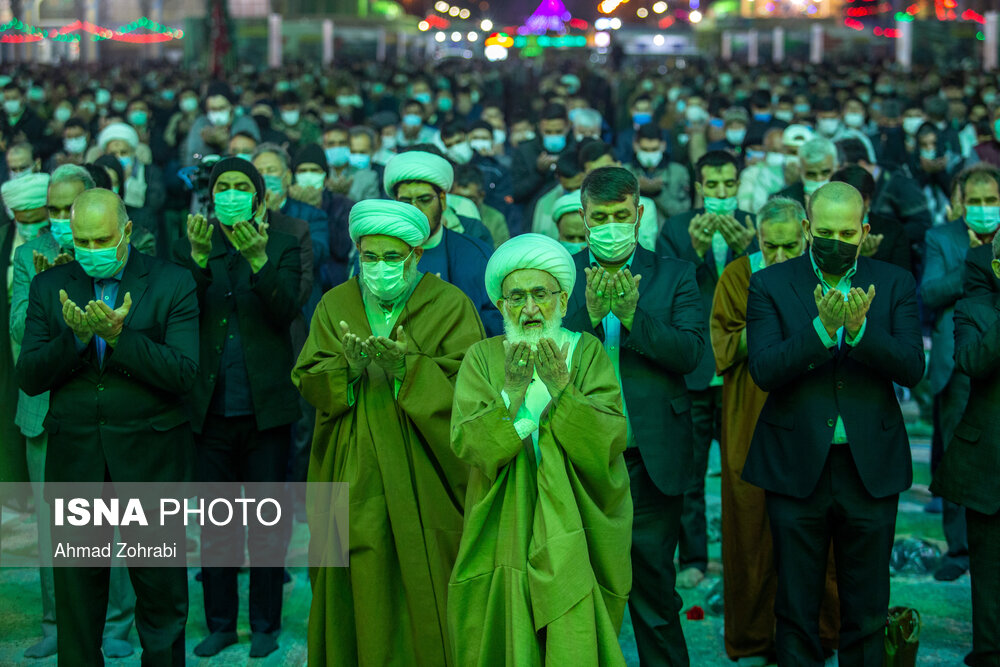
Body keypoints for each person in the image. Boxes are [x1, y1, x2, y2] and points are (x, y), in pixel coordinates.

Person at [292, 199, 484, 666]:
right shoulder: (336, 302)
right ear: (357, 252)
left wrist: (408, 370)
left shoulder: (449, 305)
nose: (379, 267)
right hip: (354, 472)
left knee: (431, 576)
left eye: (392, 257)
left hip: (428, 471)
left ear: (417, 255)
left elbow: (472, 385)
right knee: (357, 579)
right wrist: (349, 369)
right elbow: (309, 376)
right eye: (370, 257)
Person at [744, 181, 925, 665]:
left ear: (864, 231)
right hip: (795, 465)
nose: (835, 240)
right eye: (825, 230)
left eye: (847, 232)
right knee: (796, 608)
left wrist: (861, 331)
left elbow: (912, 367)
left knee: (867, 609)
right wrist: (822, 331)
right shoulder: (770, 283)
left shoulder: (893, 282)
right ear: (807, 228)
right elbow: (763, 370)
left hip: (870, 467)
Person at [17, 188, 198, 667]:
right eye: (82, 241)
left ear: (128, 233)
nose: (91, 251)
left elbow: (183, 373)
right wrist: (75, 339)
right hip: (76, 457)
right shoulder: (49, 285)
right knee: (77, 596)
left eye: (102, 240)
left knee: (160, 595)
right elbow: (30, 376)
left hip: (149, 459)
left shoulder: (171, 282)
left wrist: (119, 336)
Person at [449, 232, 632, 665]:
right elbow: (468, 441)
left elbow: (610, 434)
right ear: (500, 305)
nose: (529, 309)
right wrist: (511, 394)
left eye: (540, 295)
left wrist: (562, 390)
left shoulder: (585, 352)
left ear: (563, 300)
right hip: (506, 518)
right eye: (516, 297)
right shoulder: (481, 357)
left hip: (574, 518)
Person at [563, 166, 705, 665]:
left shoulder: (675, 274)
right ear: (582, 217)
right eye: (598, 217)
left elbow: (691, 355)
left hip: (649, 459)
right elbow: (547, 355)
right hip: (579, 460)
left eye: (620, 216)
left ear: (639, 214)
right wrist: (589, 311)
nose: (609, 225)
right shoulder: (559, 276)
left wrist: (630, 316)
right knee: (576, 593)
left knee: (653, 593)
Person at [9, 165, 142, 660]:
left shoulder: (116, 251)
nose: (64, 219)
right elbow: (22, 326)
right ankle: (55, 623)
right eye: (56, 210)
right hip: (45, 411)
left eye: (73, 208)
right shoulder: (29, 256)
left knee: (117, 520)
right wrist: (50, 290)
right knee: (54, 529)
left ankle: (116, 623)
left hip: (103, 409)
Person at [172, 157, 301, 658]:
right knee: (217, 525)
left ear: (258, 195)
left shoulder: (284, 245)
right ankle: (221, 622)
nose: (230, 193)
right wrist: (199, 259)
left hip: (266, 411)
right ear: (211, 195)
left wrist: (260, 260)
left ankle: (265, 624)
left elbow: (287, 310)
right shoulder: (195, 247)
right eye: (222, 185)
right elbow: (181, 309)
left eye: (240, 186)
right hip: (209, 412)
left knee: (268, 523)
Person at [711, 196, 841, 665]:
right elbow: (722, 345)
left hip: (809, 412)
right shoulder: (739, 276)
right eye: (771, 247)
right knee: (751, 528)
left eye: (790, 247)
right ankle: (754, 637)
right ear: (757, 239)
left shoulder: (822, 275)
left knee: (818, 526)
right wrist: (770, 327)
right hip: (751, 412)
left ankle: (822, 633)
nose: (781, 258)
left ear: (806, 235)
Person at [656, 149, 757, 589]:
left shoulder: (754, 227)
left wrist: (744, 248)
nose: (720, 194)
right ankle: (693, 558)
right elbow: (666, 293)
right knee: (691, 472)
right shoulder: (677, 228)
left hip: (742, 368)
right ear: (698, 187)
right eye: (712, 185)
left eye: (728, 185)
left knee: (746, 473)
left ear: (738, 185)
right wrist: (696, 252)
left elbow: (769, 284)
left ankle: (745, 561)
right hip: (695, 369)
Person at [922, 165, 1000, 582]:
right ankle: (959, 548)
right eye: (977, 201)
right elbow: (931, 293)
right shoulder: (941, 237)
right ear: (960, 202)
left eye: (992, 200)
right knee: (957, 456)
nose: (985, 209)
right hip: (957, 364)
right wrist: (975, 261)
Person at [930, 231, 1000, 666]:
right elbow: (973, 362)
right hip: (987, 465)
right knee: (989, 571)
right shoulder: (972, 310)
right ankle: (990, 652)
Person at [382, 150, 501, 336]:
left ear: (443, 201)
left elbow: (495, 326)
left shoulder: (476, 254)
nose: (415, 210)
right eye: (406, 201)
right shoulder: (377, 257)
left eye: (424, 200)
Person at [831, 165, 911, 272]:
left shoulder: (893, 232)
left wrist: (865, 258)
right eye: (844, 198)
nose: (850, 205)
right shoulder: (821, 230)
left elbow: (902, 280)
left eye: (859, 198)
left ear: (869, 199)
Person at [627, 123, 692, 221]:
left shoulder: (678, 172)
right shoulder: (625, 172)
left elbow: (683, 212)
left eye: (654, 149)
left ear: (663, 146)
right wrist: (638, 191)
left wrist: (658, 193)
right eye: (645, 149)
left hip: (667, 232)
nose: (649, 154)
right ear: (635, 146)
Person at [320, 123, 380, 202]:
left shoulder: (368, 177)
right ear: (323, 146)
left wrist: (345, 195)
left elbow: (370, 211)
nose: (337, 147)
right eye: (331, 143)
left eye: (342, 143)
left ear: (350, 146)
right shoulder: (318, 175)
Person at [776, 136, 839, 207]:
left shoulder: (850, 196)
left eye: (825, 172)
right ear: (800, 171)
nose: (818, 179)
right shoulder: (783, 202)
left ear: (836, 167)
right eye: (811, 174)